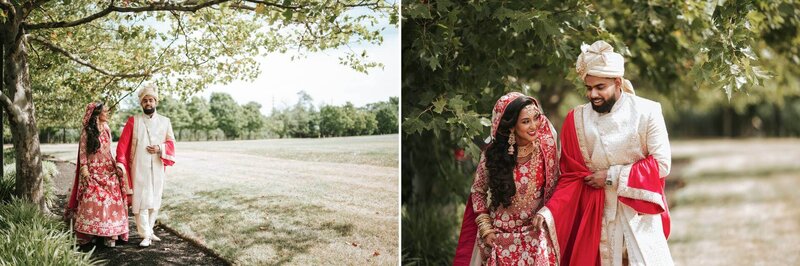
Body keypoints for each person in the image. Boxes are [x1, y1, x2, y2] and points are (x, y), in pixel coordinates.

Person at [533, 40, 674, 265]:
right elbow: (570, 176)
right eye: (589, 88)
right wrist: (550, 211)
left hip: (639, 209)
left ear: (618, 82)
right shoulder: (576, 119)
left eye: (600, 87)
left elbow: (661, 164)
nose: (593, 94)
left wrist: (611, 177)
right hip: (595, 214)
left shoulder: (648, 111)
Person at [453, 92, 559, 266]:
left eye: (536, 118)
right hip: (499, 238)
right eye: (526, 121)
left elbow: (557, 188)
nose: (534, 126)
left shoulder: (545, 151)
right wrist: (486, 229)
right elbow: (478, 191)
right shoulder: (492, 155)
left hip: (535, 238)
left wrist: (546, 215)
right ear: (511, 127)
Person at [115, 85, 176, 247]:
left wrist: (159, 148)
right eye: (145, 101)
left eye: (151, 100)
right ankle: (145, 235)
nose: (148, 103)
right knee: (141, 199)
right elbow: (122, 145)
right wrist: (120, 162)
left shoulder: (165, 121)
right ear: (141, 104)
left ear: (156, 101)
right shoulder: (133, 121)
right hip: (138, 166)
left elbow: (171, 143)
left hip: (157, 165)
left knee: (155, 198)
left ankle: (149, 230)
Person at [65, 102, 130, 247]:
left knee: (112, 201)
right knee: (92, 201)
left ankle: (110, 235)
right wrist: (85, 171)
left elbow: (109, 151)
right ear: (97, 114)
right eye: (105, 111)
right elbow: (83, 154)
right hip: (92, 172)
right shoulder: (86, 132)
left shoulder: (106, 128)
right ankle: (91, 234)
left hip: (109, 171)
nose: (107, 113)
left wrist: (115, 167)